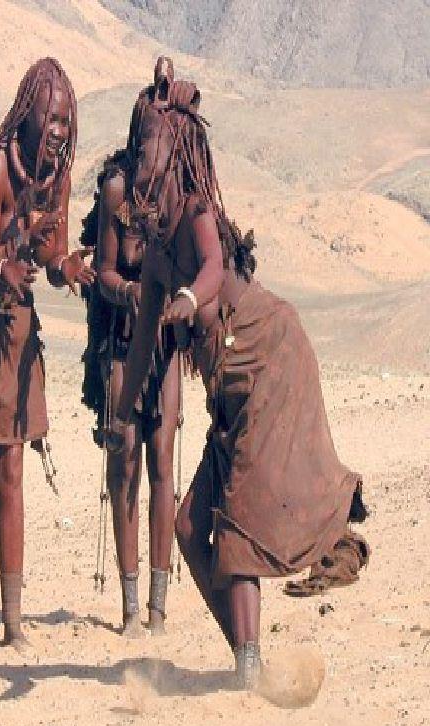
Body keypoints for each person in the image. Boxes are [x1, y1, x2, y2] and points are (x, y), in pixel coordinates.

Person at [106, 80, 369, 688]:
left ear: (176, 149)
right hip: (228, 391)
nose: (141, 154)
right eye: (138, 143)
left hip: (270, 356)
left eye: (150, 143)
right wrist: (119, 417)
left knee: (239, 521)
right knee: (190, 527)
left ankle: (250, 666)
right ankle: (247, 660)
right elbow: (142, 345)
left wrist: (187, 298)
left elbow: (212, 268)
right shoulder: (154, 254)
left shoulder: (198, 213)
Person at [0, 58, 94, 651]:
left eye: (65, 121)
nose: (58, 130)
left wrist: (66, 266)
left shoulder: (55, 176)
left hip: (18, 330)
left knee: (13, 469)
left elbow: (51, 254)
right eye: (50, 118)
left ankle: (12, 620)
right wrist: (6, 258)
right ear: (28, 112)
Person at [79, 58, 183, 637]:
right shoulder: (117, 192)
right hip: (122, 346)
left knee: (164, 463)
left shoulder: (179, 197)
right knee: (125, 467)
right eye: (149, 137)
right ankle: (129, 607)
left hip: (164, 348)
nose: (155, 148)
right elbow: (104, 271)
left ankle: (159, 609)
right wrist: (132, 293)